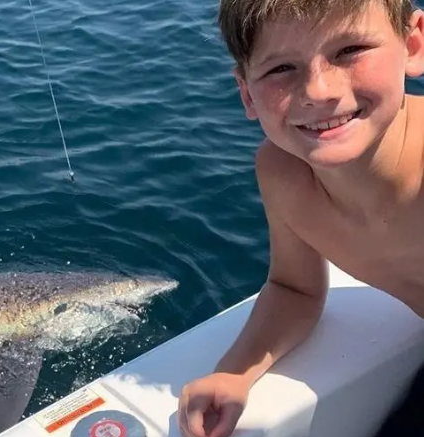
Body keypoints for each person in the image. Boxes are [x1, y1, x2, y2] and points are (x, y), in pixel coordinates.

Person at [177, 1, 424, 436]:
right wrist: (234, 372)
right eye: (281, 69)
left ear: (413, 44)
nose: (319, 90)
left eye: (350, 50)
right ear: (247, 94)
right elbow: (295, 288)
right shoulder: (283, 174)